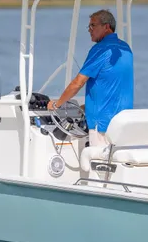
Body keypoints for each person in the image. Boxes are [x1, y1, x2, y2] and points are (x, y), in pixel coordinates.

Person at [47, 9, 134, 146]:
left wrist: (56, 104)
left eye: (93, 25)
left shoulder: (100, 50)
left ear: (106, 27)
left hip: (103, 126)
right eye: (89, 26)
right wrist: (86, 106)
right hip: (124, 123)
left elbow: (78, 83)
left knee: (98, 165)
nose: (89, 30)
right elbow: (112, 86)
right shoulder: (125, 48)